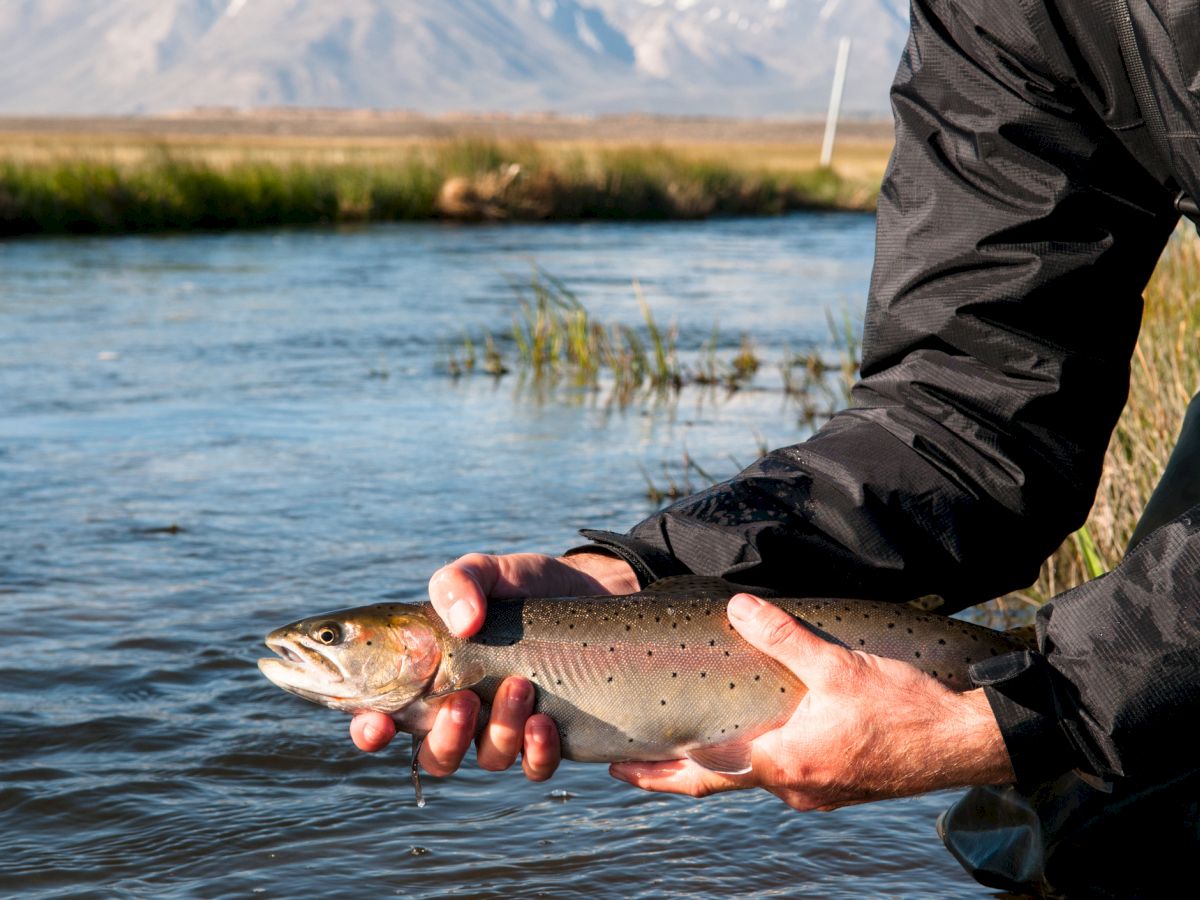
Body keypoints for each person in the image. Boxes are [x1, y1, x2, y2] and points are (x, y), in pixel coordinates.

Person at [352, 0, 1200, 893]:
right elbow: (965, 411)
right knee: (1096, 829)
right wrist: (647, 578)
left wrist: (1038, 714)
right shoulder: (995, 15)